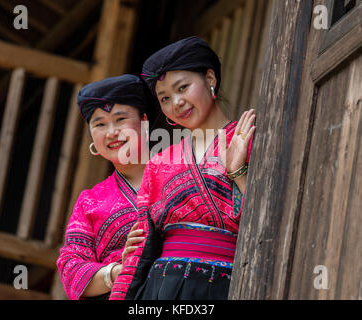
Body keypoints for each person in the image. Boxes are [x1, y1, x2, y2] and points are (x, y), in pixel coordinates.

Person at [110, 37, 255, 300]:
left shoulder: (249, 139)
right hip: (161, 288)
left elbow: (269, 220)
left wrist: (238, 172)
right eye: (165, 97)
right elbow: (141, 248)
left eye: (183, 87)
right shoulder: (158, 163)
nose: (176, 102)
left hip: (227, 287)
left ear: (210, 78)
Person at [56, 74, 151, 300]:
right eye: (99, 124)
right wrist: (118, 271)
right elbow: (71, 269)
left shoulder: (180, 172)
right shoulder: (90, 200)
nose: (111, 132)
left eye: (120, 119)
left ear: (145, 123)